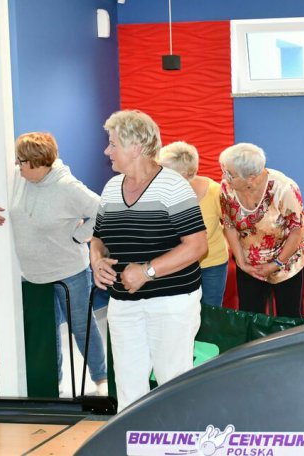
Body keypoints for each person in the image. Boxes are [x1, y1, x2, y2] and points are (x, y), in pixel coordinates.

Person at [91, 110, 207, 411]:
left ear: (136, 147)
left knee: (172, 382)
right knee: (129, 386)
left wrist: (148, 271)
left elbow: (197, 246)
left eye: (113, 143)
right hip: (122, 303)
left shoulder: (172, 186)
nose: (107, 150)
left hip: (171, 302)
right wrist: (96, 260)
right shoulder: (111, 188)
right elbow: (98, 237)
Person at [0, 132, 108, 395]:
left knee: (82, 326)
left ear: (38, 163)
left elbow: (103, 212)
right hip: (33, 274)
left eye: (22, 161)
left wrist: (78, 236)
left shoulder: (68, 186)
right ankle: (53, 383)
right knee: (46, 333)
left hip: (69, 271)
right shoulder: (17, 178)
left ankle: (102, 380)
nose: (17, 165)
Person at [219, 143, 304, 318]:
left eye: (230, 174)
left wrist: (277, 263)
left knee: (289, 316)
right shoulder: (226, 188)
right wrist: (242, 262)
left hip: (286, 261)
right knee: (251, 317)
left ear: (251, 178)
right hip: (249, 263)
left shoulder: (284, 189)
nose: (225, 177)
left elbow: (296, 231)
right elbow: (229, 225)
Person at [159, 141, 229, 307]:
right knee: (181, 312)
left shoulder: (214, 191)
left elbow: (231, 225)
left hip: (212, 264)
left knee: (210, 311)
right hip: (177, 264)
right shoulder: (160, 193)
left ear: (184, 174)